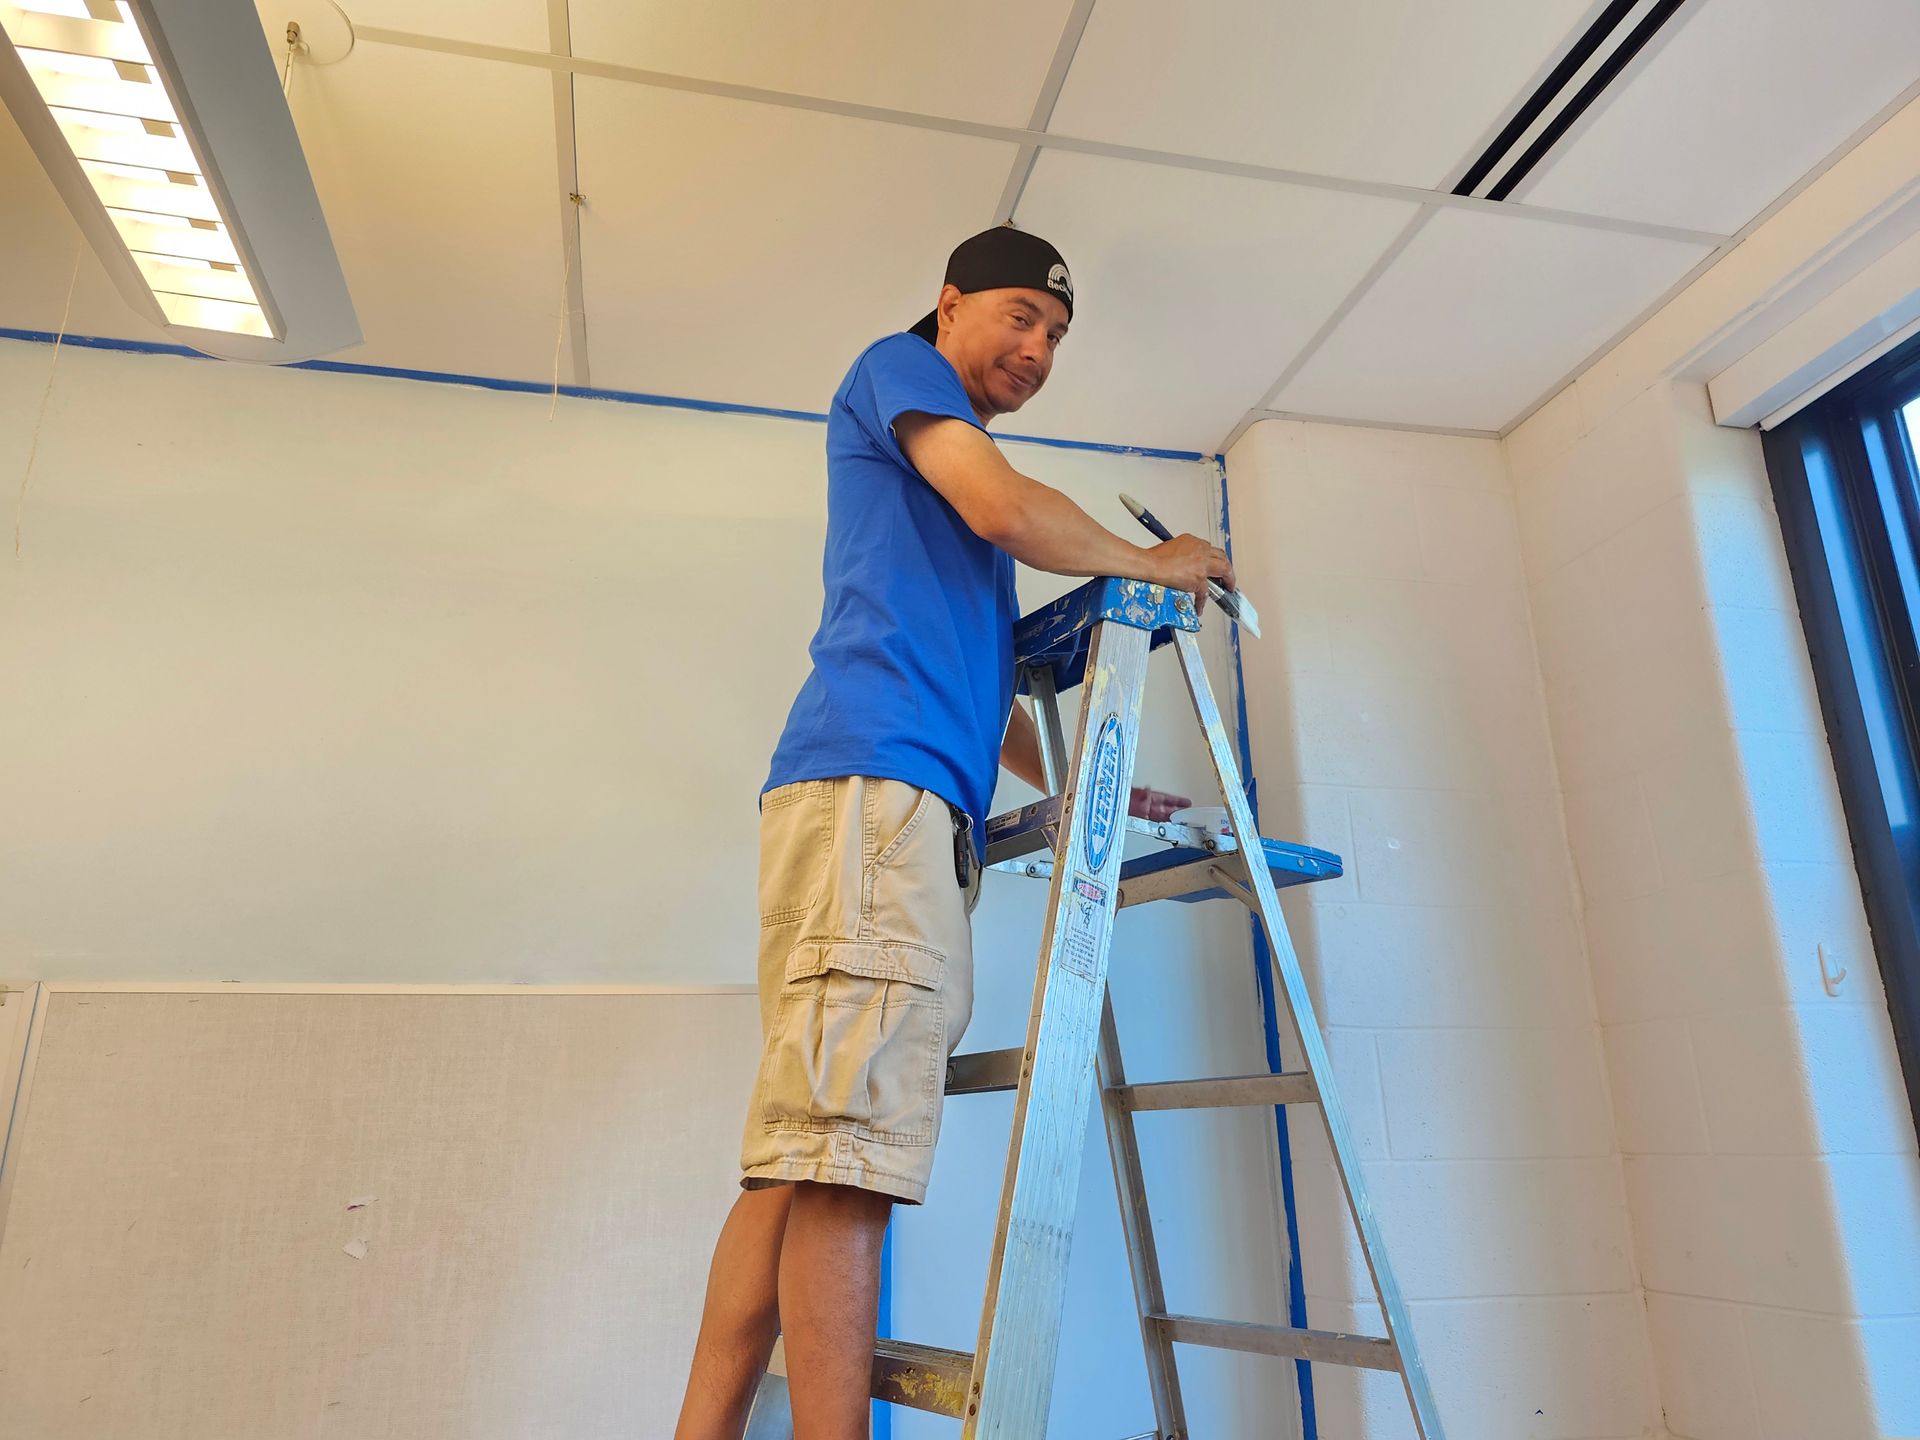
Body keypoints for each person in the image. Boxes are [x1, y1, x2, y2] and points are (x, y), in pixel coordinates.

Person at [673, 225, 1236, 1440]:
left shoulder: (945, 519)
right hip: (879, 801)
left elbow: (971, 691)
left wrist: (1086, 775)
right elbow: (1007, 508)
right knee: (844, 1162)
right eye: (1020, 316)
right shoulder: (905, 376)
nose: (1037, 348)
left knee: (798, 1158)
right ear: (948, 304)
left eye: (1056, 335)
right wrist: (1156, 563)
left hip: (868, 796)